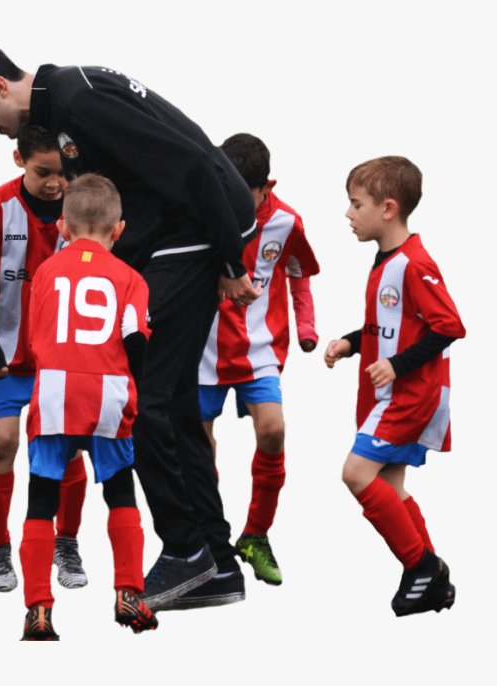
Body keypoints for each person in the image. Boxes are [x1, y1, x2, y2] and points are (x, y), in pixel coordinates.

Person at [0, 43, 260, 610]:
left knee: (145, 398)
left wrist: (231, 261)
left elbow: (193, 162)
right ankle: (217, 562)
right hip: (184, 235)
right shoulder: (62, 105)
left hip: (200, 233)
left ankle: (185, 550)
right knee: (178, 401)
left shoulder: (79, 102)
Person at [324, 156, 464, 616]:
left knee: (355, 474)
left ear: (387, 209)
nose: (347, 214)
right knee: (391, 484)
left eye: (354, 204)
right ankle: (435, 579)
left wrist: (397, 366)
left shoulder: (415, 263)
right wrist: (350, 342)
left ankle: (420, 566)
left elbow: (449, 326)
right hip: (391, 393)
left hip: (409, 395)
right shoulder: (386, 261)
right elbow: (388, 324)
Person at [19, 173, 156, 640]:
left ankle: (38, 610)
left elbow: (35, 339)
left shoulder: (46, 273)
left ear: (62, 227)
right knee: (120, 493)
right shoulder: (131, 278)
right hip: (109, 395)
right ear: (120, 229)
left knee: (41, 500)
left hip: (55, 392)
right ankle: (129, 594)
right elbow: (137, 339)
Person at [0, 125, 88, 593]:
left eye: (62, 173)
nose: (55, 183)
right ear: (18, 160)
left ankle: (67, 542)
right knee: (1, 443)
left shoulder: (81, 211)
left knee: (68, 446)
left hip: (63, 355)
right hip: (6, 354)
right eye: (43, 172)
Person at [198, 134, 319, 591]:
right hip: (204, 349)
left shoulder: (287, 222)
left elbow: (299, 273)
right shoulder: (202, 212)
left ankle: (256, 535)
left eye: (243, 194)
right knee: (199, 446)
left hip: (259, 350)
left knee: (273, 430)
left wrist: (306, 326)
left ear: (266, 186)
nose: (233, 203)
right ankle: (210, 539)